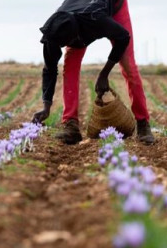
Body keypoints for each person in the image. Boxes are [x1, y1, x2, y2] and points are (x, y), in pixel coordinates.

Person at [34, 0, 155, 145]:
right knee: (70, 65)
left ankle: (143, 124)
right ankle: (70, 124)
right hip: (79, 16)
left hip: (115, 6)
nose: (69, 46)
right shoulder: (54, 30)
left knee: (128, 65)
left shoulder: (95, 18)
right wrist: (46, 107)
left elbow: (123, 37)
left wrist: (104, 74)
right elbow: (49, 69)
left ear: (77, 35)